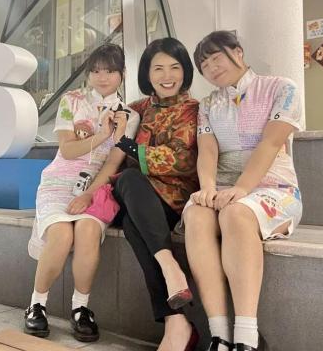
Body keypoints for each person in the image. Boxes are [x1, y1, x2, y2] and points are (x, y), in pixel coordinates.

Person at [182, 31, 303, 351]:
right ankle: (219, 334)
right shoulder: (208, 104)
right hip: (223, 187)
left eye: (216, 57)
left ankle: (247, 337)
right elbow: (207, 151)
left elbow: (271, 142)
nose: (211, 67)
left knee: (236, 213)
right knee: (196, 215)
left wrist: (242, 188)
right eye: (204, 65)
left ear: (237, 52)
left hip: (275, 188)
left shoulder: (282, 88)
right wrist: (208, 188)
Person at [26, 43, 140, 342]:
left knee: (88, 231)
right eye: (96, 71)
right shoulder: (71, 100)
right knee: (62, 234)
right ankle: (37, 304)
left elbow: (113, 162)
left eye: (110, 71)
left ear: (122, 73)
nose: (103, 77)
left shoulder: (129, 115)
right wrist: (102, 134)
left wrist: (89, 194)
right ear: (88, 74)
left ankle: (81, 309)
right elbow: (67, 149)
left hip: (98, 187)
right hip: (57, 182)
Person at [105, 37, 201, 351]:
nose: (166, 75)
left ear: (185, 71)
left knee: (133, 222)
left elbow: (184, 160)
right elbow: (105, 125)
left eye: (174, 67)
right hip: (136, 192)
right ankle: (169, 266)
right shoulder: (137, 109)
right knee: (130, 180)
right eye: (158, 68)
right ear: (147, 73)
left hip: (173, 199)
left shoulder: (193, 110)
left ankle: (176, 323)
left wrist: (128, 145)